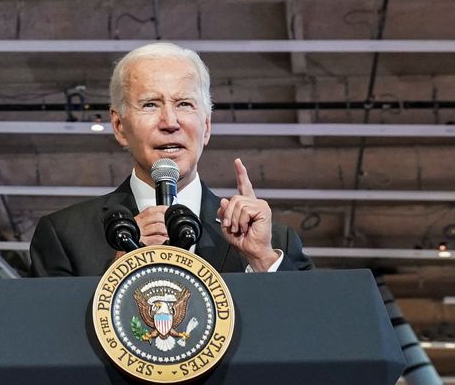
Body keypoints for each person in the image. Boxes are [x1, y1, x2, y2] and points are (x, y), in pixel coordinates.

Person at [30, 42, 313, 277]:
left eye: (184, 104)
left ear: (207, 126)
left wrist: (262, 261)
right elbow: (46, 338)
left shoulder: (274, 242)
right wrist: (117, 274)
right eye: (150, 104)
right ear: (119, 127)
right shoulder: (65, 236)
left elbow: (316, 333)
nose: (170, 122)